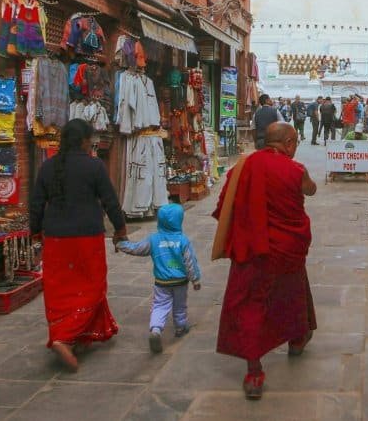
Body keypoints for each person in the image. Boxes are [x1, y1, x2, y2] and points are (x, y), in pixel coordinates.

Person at [212, 123, 317, 400]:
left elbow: (225, 206)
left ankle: (254, 371)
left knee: (252, 304)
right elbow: (311, 190)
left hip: (252, 250)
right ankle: (297, 339)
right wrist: (305, 175)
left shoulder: (242, 167)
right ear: (290, 142)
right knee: (291, 294)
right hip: (286, 249)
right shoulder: (295, 170)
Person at [29, 119, 128, 371]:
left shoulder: (48, 167)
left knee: (60, 288)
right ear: (84, 141)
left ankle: (74, 336)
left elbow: (36, 203)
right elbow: (110, 201)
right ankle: (63, 338)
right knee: (91, 287)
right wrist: (120, 228)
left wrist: (34, 232)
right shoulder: (94, 166)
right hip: (87, 237)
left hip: (55, 238)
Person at [116, 203, 202, 354]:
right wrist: (195, 279)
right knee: (180, 306)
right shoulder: (183, 241)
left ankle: (156, 329)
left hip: (161, 282)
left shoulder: (154, 239)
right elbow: (191, 262)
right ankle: (180, 327)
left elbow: (137, 249)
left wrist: (121, 244)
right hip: (180, 282)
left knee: (159, 305)